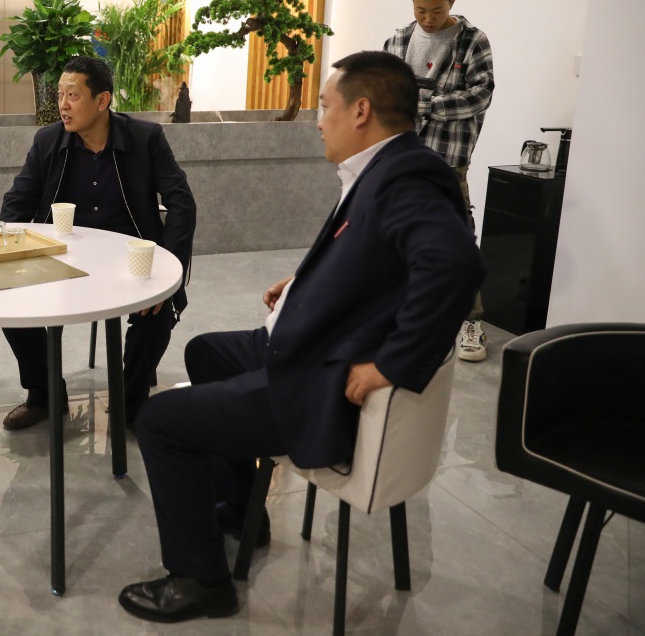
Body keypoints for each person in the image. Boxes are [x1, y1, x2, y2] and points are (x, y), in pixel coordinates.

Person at [117, 51, 484, 623]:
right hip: (303, 344)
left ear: (361, 111)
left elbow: (456, 265)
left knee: (161, 422)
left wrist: (392, 363)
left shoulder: (406, 179)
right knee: (206, 352)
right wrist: (304, 283)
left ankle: (201, 580)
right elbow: (376, 261)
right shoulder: (384, 169)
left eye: (325, 105)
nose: (318, 120)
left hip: (314, 378)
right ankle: (240, 509)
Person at [0, 56, 195, 430]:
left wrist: (170, 268)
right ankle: (45, 395)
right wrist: (4, 250)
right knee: (10, 299)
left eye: (73, 95)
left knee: (156, 314)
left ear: (102, 100)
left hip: (132, 261)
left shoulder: (145, 139)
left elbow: (182, 202)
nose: (63, 105)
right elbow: (18, 201)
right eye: (60, 95)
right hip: (63, 258)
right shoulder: (48, 140)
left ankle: (131, 401)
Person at [384, 0, 494, 361]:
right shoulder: (398, 40)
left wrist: (425, 104)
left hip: (448, 158)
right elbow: (384, 93)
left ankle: (470, 322)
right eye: (420, 10)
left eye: (436, 10)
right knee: (392, 232)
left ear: (452, 2)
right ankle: (395, 314)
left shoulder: (472, 41)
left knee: (457, 236)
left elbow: (480, 95)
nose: (428, 19)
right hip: (400, 155)